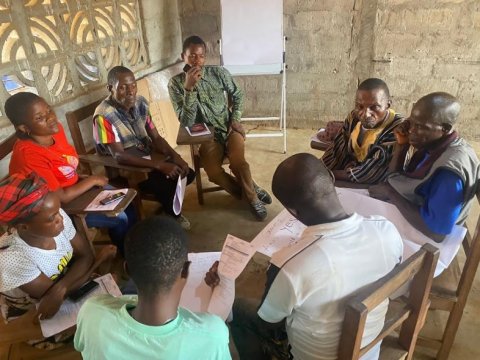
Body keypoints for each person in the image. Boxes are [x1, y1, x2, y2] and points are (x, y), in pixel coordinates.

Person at [206, 153, 403, 360]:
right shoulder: (385, 230)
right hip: (369, 351)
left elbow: (270, 323)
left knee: (238, 310)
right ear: (331, 177)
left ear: (292, 211)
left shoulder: (289, 265)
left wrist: (225, 286)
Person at [74, 216, 232, 360]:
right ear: (185, 270)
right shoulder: (212, 334)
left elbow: (81, 346)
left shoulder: (91, 313)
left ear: (127, 269)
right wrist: (221, 290)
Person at [5, 92, 135, 255]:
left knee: (127, 202)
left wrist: (81, 179)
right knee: (120, 217)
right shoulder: (29, 155)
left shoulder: (55, 129)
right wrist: (93, 180)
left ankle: (131, 248)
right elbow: (62, 197)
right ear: (24, 128)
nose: (50, 117)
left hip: (76, 190)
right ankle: (127, 256)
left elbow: (65, 165)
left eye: (49, 110)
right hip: (56, 211)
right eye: (40, 118)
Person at [0, 173, 115, 347]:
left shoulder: (56, 216)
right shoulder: (12, 257)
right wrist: (98, 262)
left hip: (63, 283)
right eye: (51, 218)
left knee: (113, 305)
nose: (60, 218)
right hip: (33, 311)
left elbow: (85, 256)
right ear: (23, 227)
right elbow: (52, 300)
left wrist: (60, 288)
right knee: (99, 329)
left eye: (58, 210)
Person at [168, 35, 271, 221]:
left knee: (239, 163)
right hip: (207, 137)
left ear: (205, 58)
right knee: (213, 172)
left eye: (200, 56)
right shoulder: (175, 84)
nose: (196, 61)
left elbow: (238, 94)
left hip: (229, 128)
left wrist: (236, 119)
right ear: (183, 56)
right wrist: (189, 89)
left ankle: (253, 198)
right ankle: (247, 189)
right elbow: (186, 122)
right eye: (191, 56)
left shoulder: (218, 73)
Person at [93, 66, 195, 229]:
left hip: (146, 156)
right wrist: (160, 166)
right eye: (122, 87)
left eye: (133, 85)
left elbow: (155, 136)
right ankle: (172, 214)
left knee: (187, 173)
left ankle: (168, 206)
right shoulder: (104, 116)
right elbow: (119, 156)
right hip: (127, 168)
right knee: (166, 182)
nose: (130, 91)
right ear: (110, 88)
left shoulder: (140, 103)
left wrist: (177, 157)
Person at [369, 92, 480, 242]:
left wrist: (391, 194)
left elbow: (436, 233)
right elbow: (394, 180)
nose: (411, 130)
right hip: (413, 215)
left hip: (426, 242)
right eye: (411, 122)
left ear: (445, 128)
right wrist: (401, 146)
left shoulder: (449, 173)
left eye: (420, 126)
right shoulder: (434, 145)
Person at [322, 78, 404, 185]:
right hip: (349, 172)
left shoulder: (396, 128)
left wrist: (328, 174)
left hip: (374, 183)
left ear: (387, 105)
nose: (366, 114)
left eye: (374, 107)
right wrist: (321, 167)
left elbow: (373, 172)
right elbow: (337, 149)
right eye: (360, 106)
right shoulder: (354, 117)